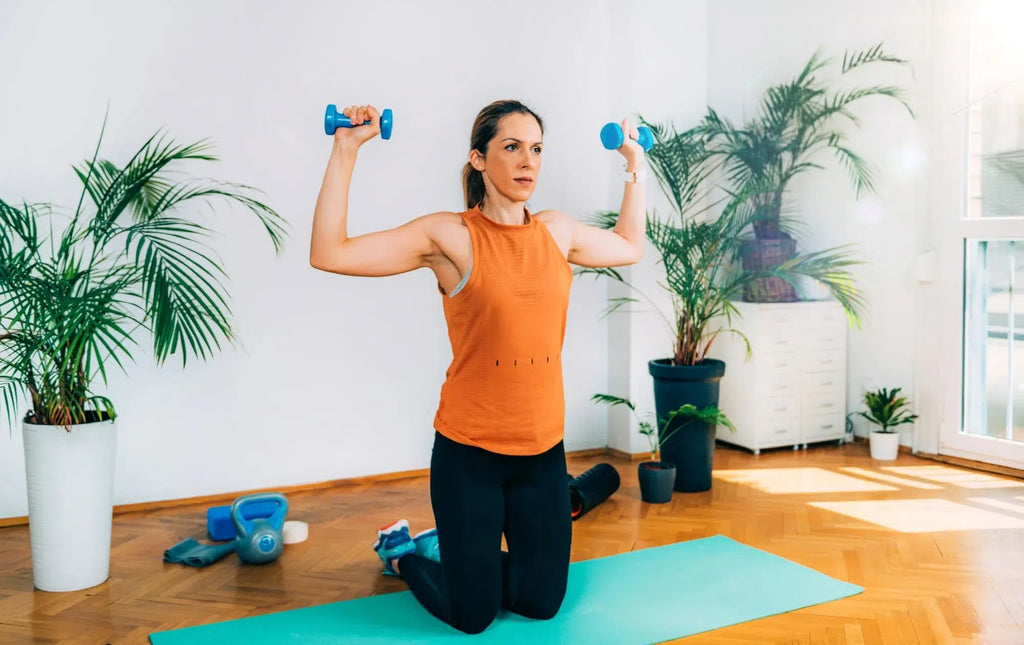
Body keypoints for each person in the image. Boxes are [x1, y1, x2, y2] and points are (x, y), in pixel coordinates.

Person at [310, 99, 646, 634]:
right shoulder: (449, 238)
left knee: (540, 604)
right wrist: (346, 148)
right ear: (479, 159)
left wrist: (634, 163)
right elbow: (330, 251)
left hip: (541, 455)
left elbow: (630, 246)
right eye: (511, 147)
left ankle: (474, 566)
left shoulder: (557, 232)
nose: (527, 160)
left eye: (535, 149)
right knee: (473, 617)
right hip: (470, 458)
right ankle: (403, 553)